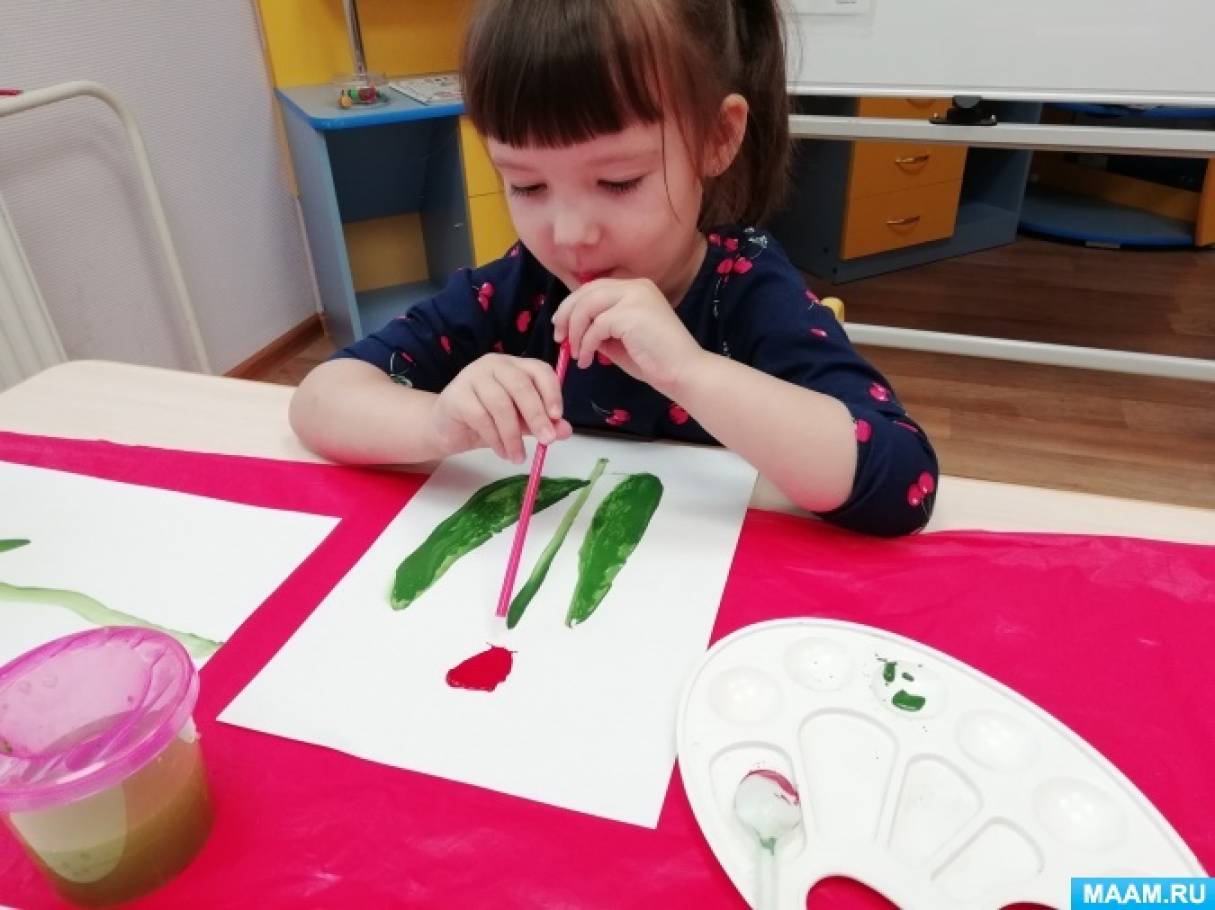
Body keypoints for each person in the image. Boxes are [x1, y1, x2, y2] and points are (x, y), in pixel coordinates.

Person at [289, 0, 938, 537]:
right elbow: (321, 400)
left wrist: (690, 372)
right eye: (527, 186)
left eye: (618, 181)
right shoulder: (519, 290)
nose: (570, 235)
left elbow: (902, 482)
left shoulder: (745, 290)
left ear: (716, 139)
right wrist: (437, 423)